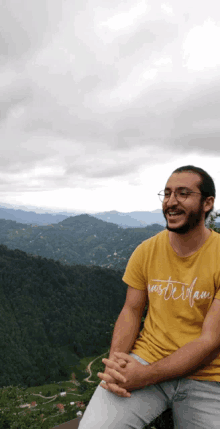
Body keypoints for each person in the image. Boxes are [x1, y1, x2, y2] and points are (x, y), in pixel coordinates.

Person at [79, 165, 220, 429]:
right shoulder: (146, 251)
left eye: (183, 193)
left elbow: (210, 341)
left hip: (209, 376)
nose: (171, 202)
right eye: (167, 194)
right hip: (146, 358)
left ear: (207, 203)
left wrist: (144, 376)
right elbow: (131, 311)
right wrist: (116, 365)